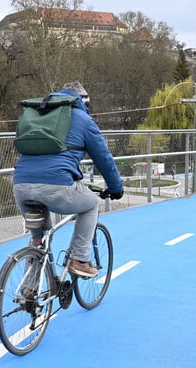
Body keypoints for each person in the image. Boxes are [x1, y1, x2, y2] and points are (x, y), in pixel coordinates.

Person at [12, 81, 124, 278]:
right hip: (56, 187)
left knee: (39, 239)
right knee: (91, 204)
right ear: (83, 101)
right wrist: (116, 187)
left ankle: (29, 291)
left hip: (20, 185)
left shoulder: (38, 114)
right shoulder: (83, 119)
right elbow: (103, 157)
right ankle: (79, 259)